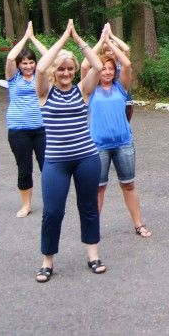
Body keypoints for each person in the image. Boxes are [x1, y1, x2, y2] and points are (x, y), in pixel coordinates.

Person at [34, 19, 105, 283]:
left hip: (86, 158)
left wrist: (78, 40)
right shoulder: (44, 92)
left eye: (70, 68)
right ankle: (47, 260)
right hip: (56, 161)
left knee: (88, 207)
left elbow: (97, 65)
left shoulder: (82, 91)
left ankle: (93, 255)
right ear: (55, 70)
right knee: (53, 211)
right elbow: (41, 68)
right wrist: (63, 39)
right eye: (61, 69)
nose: (65, 73)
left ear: (75, 71)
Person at [89, 25, 151, 237]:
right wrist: (101, 42)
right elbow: (84, 64)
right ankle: (93, 229)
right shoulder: (89, 90)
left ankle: (138, 224)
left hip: (124, 143)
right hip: (98, 146)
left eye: (109, 68)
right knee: (98, 189)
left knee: (128, 185)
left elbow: (126, 62)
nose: (106, 71)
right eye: (102, 68)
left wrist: (110, 43)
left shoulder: (121, 87)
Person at [4, 21, 48, 218]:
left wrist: (34, 38)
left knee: (48, 167)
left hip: (42, 129)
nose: (29, 66)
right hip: (18, 130)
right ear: (19, 66)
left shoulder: (41, 77)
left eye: (31, 62)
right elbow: (10, 57)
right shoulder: (14, 78)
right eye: (25, 63)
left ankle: (51, 203)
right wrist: (24, 38)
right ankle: (26, 205)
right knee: (24, 169)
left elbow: (49, 57)